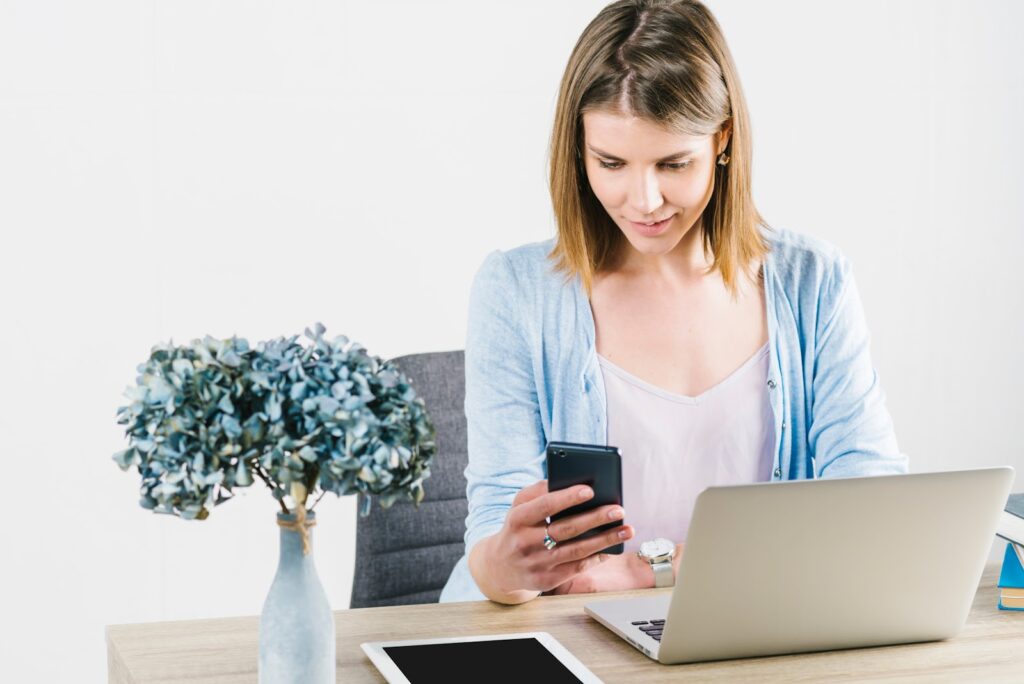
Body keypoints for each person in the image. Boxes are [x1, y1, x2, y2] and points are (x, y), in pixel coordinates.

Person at [439, 0, 906, 605]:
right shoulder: (516, 291)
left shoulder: (812, 282)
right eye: (610, 162)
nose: (644, 200)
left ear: (723, 139)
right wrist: (509, 567)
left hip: (751, 631)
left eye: (672, 163)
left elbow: (869, 507)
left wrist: (651, 570)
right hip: (567, 632)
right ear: (577, 151)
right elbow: (497, 539)